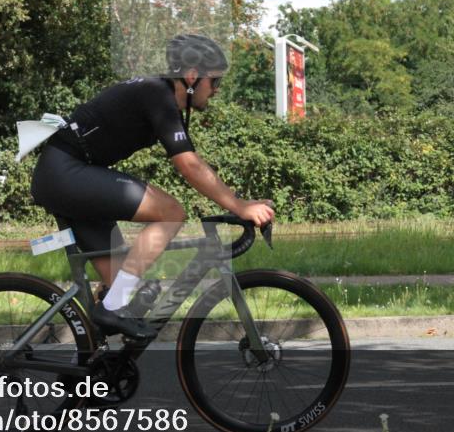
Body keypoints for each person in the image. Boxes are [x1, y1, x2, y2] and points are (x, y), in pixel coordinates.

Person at [30, 34, 275, 339]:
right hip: (65, 172)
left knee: (122, 292)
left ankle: (90, 366)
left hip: (70, 174)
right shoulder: (156, 94)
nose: (217, 90)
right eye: (215, 81)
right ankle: (109, 309)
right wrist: (239, 206)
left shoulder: (160, 96)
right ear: (191, 75)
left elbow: (194, 163)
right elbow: (189, 165)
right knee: (171, 212)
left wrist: (237, 201)